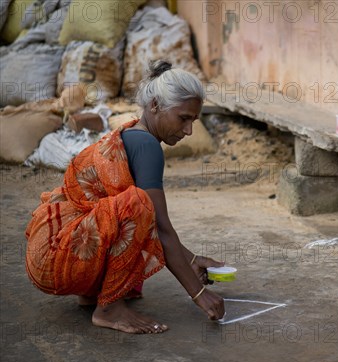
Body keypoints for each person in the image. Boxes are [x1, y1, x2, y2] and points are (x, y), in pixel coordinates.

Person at [25, 60, 225, 334]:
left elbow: (143, 227)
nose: (189, 130)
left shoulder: (133, 134)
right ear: (154, 105)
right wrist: (199, 294)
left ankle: (93, 292)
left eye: (194, 120)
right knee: (140, 207)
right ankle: (108, 309)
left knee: (135, 210)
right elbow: (160, 227)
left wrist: (192, 261)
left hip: (51, 251)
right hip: (57, 258)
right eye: (183, 118)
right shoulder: (147, 146)